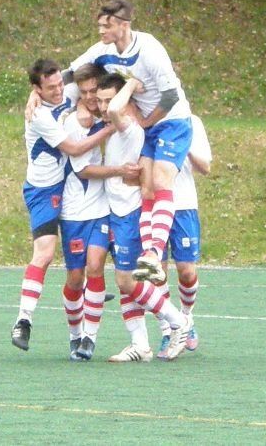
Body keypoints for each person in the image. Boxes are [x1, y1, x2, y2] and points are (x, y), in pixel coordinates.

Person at [66, 0, 192, 285]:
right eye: (99, 25)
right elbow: (71, 74)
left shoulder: (149, 49)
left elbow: (170, 96)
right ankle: (152, 257)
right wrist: (37, 92)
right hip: (144, 126)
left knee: (160, 179)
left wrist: (147, 122)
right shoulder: (103, 50)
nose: (101, 31)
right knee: (146, 189)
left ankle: (154, 252)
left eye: (106, 25)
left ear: (123, 25)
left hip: (171, 121)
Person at [11, 59, 114, 351]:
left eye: (59, 84)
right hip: (43, 190)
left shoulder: (67, 89)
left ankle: (90, 291)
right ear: (36, 89)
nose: (58, 91)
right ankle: (23, 320)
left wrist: (83, 104)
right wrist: (109, 130)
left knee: (86, 264)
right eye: (50, 88)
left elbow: (90, 65)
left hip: (69, 188)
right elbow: (75, 148)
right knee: (44, 253)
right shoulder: (38, 115)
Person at [95, 73, 192, 362]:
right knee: (124, 280)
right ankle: (140, 344)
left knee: (126, 280)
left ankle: (177, 322)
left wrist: (132, 82)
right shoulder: (113, 127)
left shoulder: (128, 126)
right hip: (115, 211)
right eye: (99, 101)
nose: (104, 107)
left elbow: (116, 109)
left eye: (109, 100)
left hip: (129, 212)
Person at [59, 63, 140, 361]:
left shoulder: (108, 117)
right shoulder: (74, 122)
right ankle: (74, 334)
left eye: (95, 91)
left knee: (95, 266)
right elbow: (83, 169)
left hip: (102, 209)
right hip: (73, 211)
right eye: (84, 93)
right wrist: (119, 170)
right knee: (75, 278)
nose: (91, 98)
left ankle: (89, 338)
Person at [153, 113, 212, 359]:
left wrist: (181, 145)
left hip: (184, 206)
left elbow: (205, 167)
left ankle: (186, 318)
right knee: (157, 272)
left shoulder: (191, 122)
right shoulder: (146, 119)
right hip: (153, 204)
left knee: (187, 271)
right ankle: (168, 330)